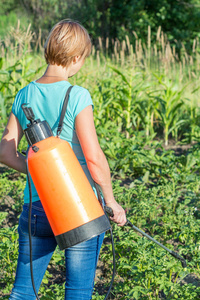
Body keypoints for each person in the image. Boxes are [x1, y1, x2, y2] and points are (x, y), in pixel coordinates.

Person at [0, 19, 126, 300]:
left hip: (35, 207)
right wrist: (111, 201)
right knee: (78, 294)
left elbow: (6, 153)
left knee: (23, 293)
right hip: (80, 209)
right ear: (76, 56)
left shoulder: (24, 95)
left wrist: (40, 176)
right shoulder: (78, 95)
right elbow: (93, 158)